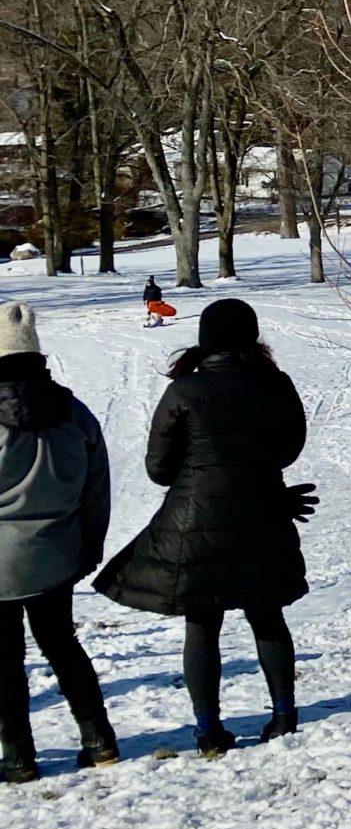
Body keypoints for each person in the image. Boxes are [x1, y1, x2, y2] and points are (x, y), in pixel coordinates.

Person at [97, 299, 312, 754]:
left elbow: (158, 468)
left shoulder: (184, 391)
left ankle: (208, 729)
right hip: (263, 513)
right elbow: (288, 450)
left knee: (202, 622)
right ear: (252, 337)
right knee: (267, 614)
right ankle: (283, 715)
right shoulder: (276, 384)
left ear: (205, 338)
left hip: (196, 522)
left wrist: (201, 473)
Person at [0, 303, 119, 780]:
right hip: (57, 553)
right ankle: (100, 741)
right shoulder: (75, 412)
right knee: (63, 645)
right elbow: (98, 488)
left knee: (5, 659)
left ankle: (18, 757)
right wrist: (90, 547)